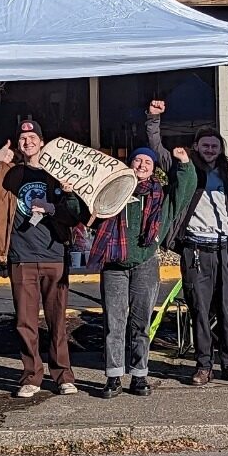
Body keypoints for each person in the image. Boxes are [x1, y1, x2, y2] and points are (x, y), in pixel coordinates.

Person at [0, 119, 81, 398]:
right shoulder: (2, 172)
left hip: (54, 254)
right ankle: (31, 377)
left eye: (33, 137)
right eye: (23, 138)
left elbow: (76, 214)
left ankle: (63, 375)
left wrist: (59, 203)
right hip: (20, 256)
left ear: (42, 141)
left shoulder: (58, 173)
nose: (28, 142)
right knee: (25, 321)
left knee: (57, 321)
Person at [146, 102, 228, 385]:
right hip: (196, 251)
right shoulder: (185, 170)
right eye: (206, 145)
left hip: (225, 250)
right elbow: (157, 148)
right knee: (200, 312)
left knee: (227, 311)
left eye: (215, 146)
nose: (210, 150)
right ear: (196, 146)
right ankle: (203, 366)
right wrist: (154, 118)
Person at [91, 145, 198, 399]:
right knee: (114, 323)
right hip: (114, 265)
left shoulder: (160, 196)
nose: (142, 165)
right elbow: (83, 206)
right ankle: (113, 376)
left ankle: (140, 375)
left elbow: (185, 189)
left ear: (153, 168)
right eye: (137, 160)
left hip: (145, 264)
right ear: (129, 164)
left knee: (141, 323)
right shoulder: (111, 190)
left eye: (147, 162)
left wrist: (184, 165)